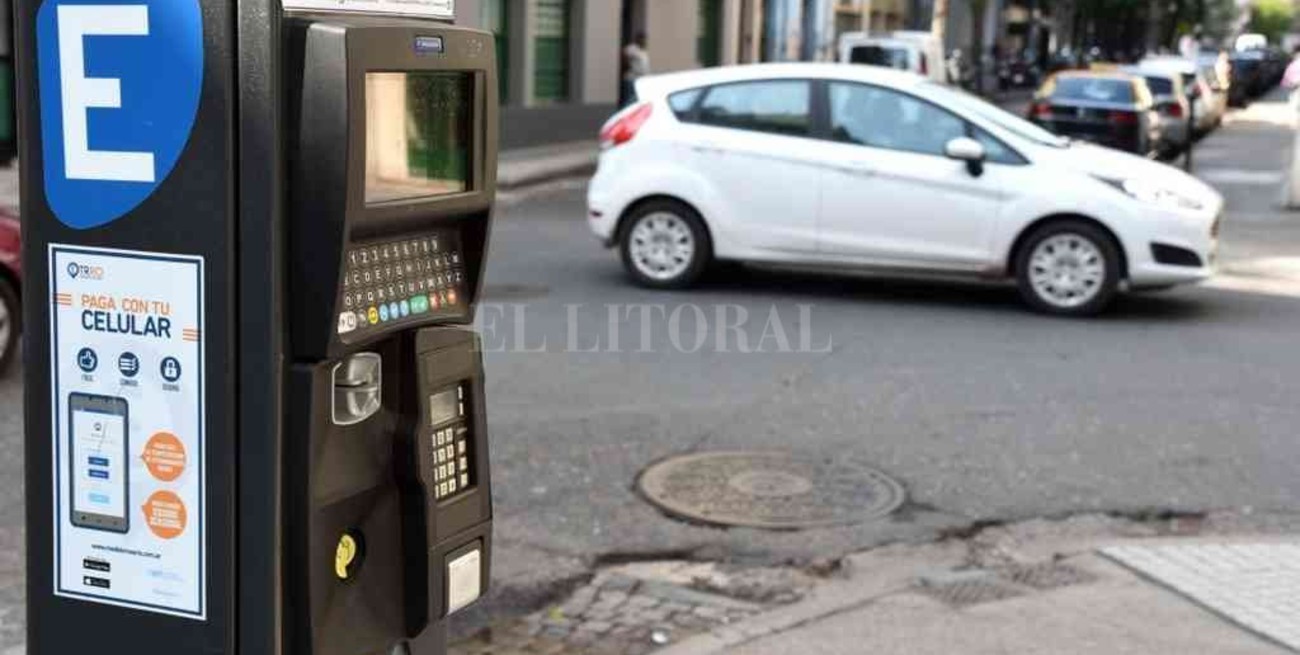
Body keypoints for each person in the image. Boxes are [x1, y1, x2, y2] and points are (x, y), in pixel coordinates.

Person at [622, 32, 650, 107]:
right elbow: (624, 56)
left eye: (644, 39)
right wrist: (629, 66)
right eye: (641, 39)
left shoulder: (643, 50)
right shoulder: (632, 48)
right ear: (637, 39)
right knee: (630, 99)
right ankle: (624, 113)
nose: (643, 41)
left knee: (636, 99)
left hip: (641, 79)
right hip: (632, 78)